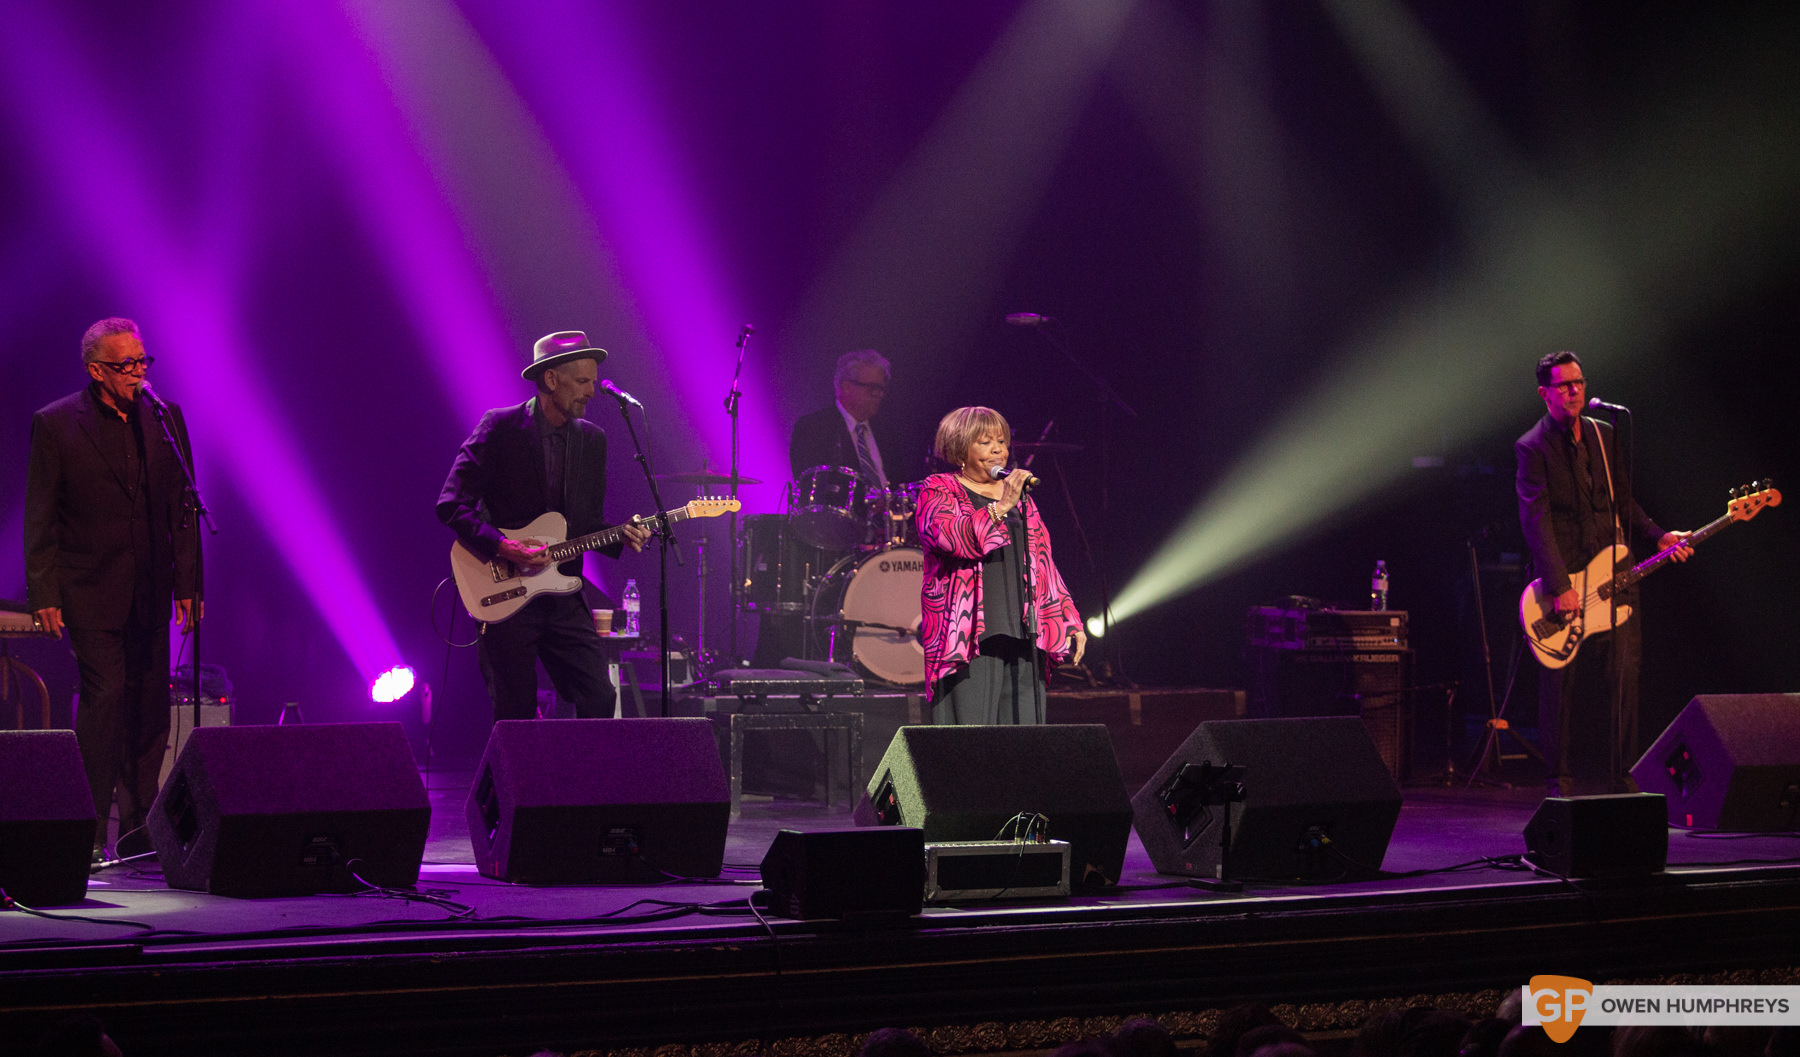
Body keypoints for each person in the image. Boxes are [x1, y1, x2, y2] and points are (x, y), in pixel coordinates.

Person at [25, 317, 201, 862]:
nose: (139, 373)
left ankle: (141, 832)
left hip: (148, 589)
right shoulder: (56, 424)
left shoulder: (165, 419)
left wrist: (189, 583)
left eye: (143, 361)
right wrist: (45, 592)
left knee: (149, 709)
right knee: (105, 700)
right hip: (88, 589)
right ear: (96, 371)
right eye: (127, 365)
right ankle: (86, 834)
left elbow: (185, 510)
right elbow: (41, 515)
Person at [437, 331, 650, 722]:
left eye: (593, 381)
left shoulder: (592, 440)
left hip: (563, 594)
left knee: (599, 697)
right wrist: (503, 546)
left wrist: (624, 533)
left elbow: (585, 524)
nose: (591, 391)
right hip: (506, 592)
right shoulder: (500, 428)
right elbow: (451, 505)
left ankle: (578, 783)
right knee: (514, 715)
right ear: (551, 379)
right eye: (582, 381)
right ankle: (507, 785)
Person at [1515, 351, 1690, 796]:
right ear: (1544, 394)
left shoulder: (1606, 434)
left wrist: (1657, 536)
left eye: (1579, 382)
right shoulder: (1532, 447)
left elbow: (1623, 501)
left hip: (1615, 573)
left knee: (1623, 674)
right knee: (1560, 682)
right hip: (1566, 580)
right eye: (1563, 385)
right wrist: (1558, 586)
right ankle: (1560, 777)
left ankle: (1621, 773)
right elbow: (1535, 521)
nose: (1574, 391)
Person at [916, 406, 1085, 724]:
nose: (998, 449)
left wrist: (1069, 619)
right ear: (959, 447)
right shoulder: (938, 489)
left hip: (1025, 633)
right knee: (971, 740)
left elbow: (1043, 562)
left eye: (1002, 441)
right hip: (969, 639)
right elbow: (950, 538)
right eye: (985, 441)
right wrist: (1001, 505)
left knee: (1024, 742)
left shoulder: (1023, 499)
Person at [788, 348, 894, 485]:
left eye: (881, 389)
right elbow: (812, 487)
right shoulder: (814, 428)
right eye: (872, 388)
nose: (879, 395)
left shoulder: (886, 434)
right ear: (846, 387)